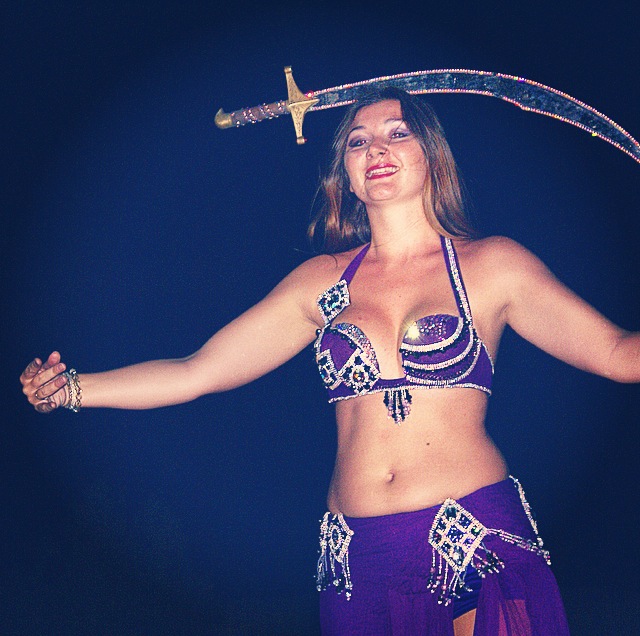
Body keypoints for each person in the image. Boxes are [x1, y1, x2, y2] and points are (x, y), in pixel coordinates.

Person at [20, 87, 640, 635]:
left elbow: (617, 354)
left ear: (432, 153)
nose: (377, 149)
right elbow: (197, 371)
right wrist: (71, 389)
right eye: (358, 141)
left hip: (475, 535)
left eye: (398, 133)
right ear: (343, 172)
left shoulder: (493, 266)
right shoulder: (320, 282)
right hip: (357, 557)